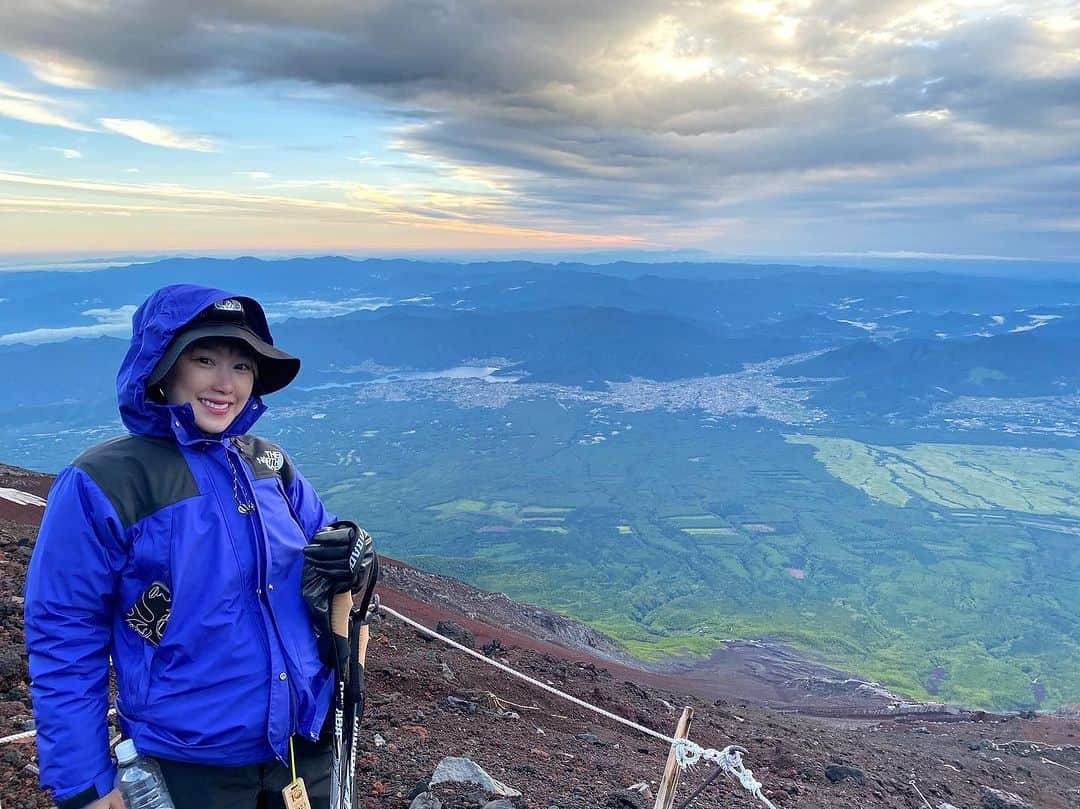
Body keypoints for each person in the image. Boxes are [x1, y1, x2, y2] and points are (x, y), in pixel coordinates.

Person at [24, 284, 375, 809]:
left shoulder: (269, 464)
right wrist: (83, 784)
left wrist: (354, 552)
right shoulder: (104, 482)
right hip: (189, 769)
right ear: (163, 369)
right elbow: (64, 635)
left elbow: (324, 560)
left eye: (242, 366)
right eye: (204, 359)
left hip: (303, 751)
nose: (224, 383)